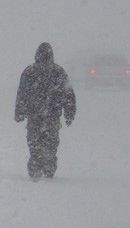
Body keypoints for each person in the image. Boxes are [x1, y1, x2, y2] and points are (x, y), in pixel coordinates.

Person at [15, 42, 77, 180]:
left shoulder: (29, 71)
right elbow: (68, 95)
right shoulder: (58, 72)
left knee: (34, 142)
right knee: (51, 142)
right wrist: (69, 113)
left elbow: (22, 93)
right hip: (52, 115)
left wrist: (20, 112)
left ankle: (35, 167)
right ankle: (49, 167)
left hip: (34, 115)